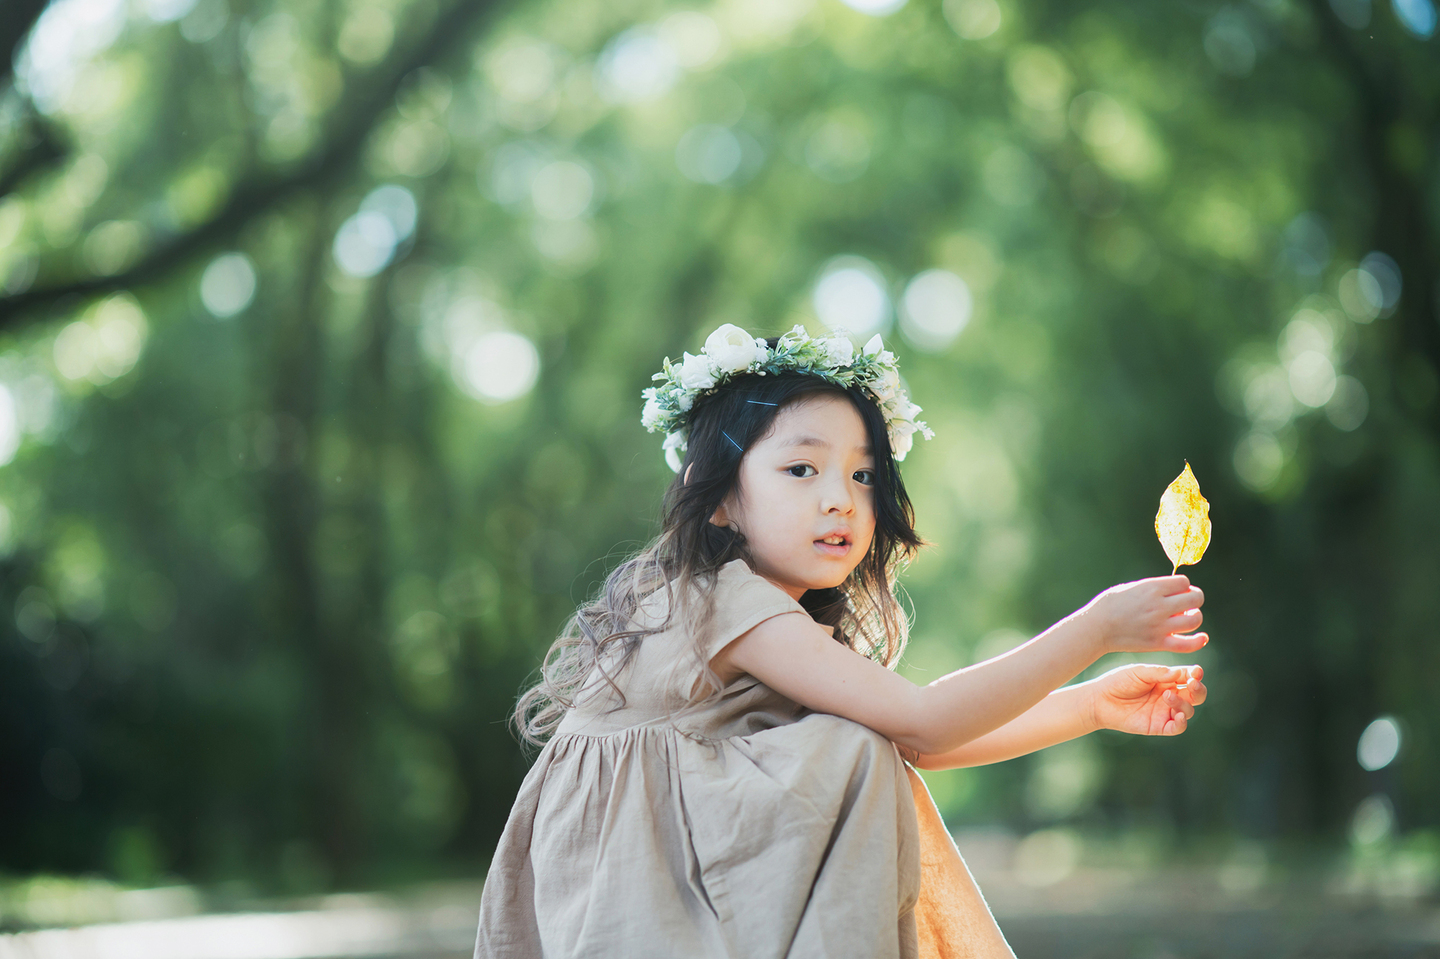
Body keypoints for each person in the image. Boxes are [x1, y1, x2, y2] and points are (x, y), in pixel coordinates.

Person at [474, 323, 1208, 958]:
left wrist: (1088, 706)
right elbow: (924, 720)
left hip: (671, 864)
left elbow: (917, 738)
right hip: (639, 881)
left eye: (862, 474)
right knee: (850, 750)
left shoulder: (758, 608)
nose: (840, 498)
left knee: (861, 744)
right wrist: (1096, 629)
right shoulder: (721, 598)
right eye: (802, 468)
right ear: (720, 495)